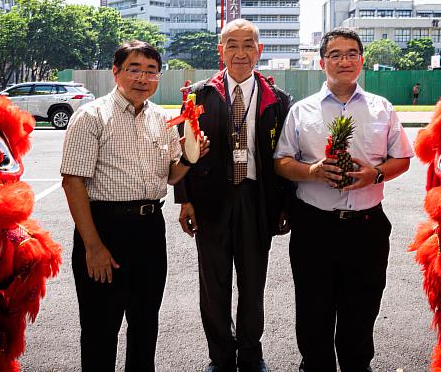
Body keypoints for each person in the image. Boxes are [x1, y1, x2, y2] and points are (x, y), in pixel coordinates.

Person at [61, 40, 207, 371]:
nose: (142, 77)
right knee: (101, 327)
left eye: (151, 71)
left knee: (145, 323)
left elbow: (172, 176)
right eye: (134, 69)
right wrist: (93, 246)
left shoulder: (162, 119)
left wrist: (190, 155)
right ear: (116, 72)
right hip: (105, 227)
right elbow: (73, 182)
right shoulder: (92, 116)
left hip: (150, 229)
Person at [273, 28, 414, 372]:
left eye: (352, 53)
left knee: (361, 308)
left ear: (362, 60)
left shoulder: (382, 109)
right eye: (335, 54)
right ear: (322, 63)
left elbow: (403, 158)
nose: (344, 60)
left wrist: (375, 174)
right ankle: (315, 365)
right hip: (314, 226)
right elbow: (281, 162)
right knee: (312, 307)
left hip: (367, 226)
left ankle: (357, 364)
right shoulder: (301, 111)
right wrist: (313, 171)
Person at [175, 19, 294, 372]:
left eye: (248, 45)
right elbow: (183, 149)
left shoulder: (279, 99)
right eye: (232, 44)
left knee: (253, 280)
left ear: (260, 50)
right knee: (213, 284)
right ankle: (221, 356)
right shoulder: (198, 95)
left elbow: (286, 155)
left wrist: (285, 204)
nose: (240, 52)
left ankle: (251, 353)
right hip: (212, 200)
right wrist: (185, 198)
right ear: (220, 50)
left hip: (257, 199)